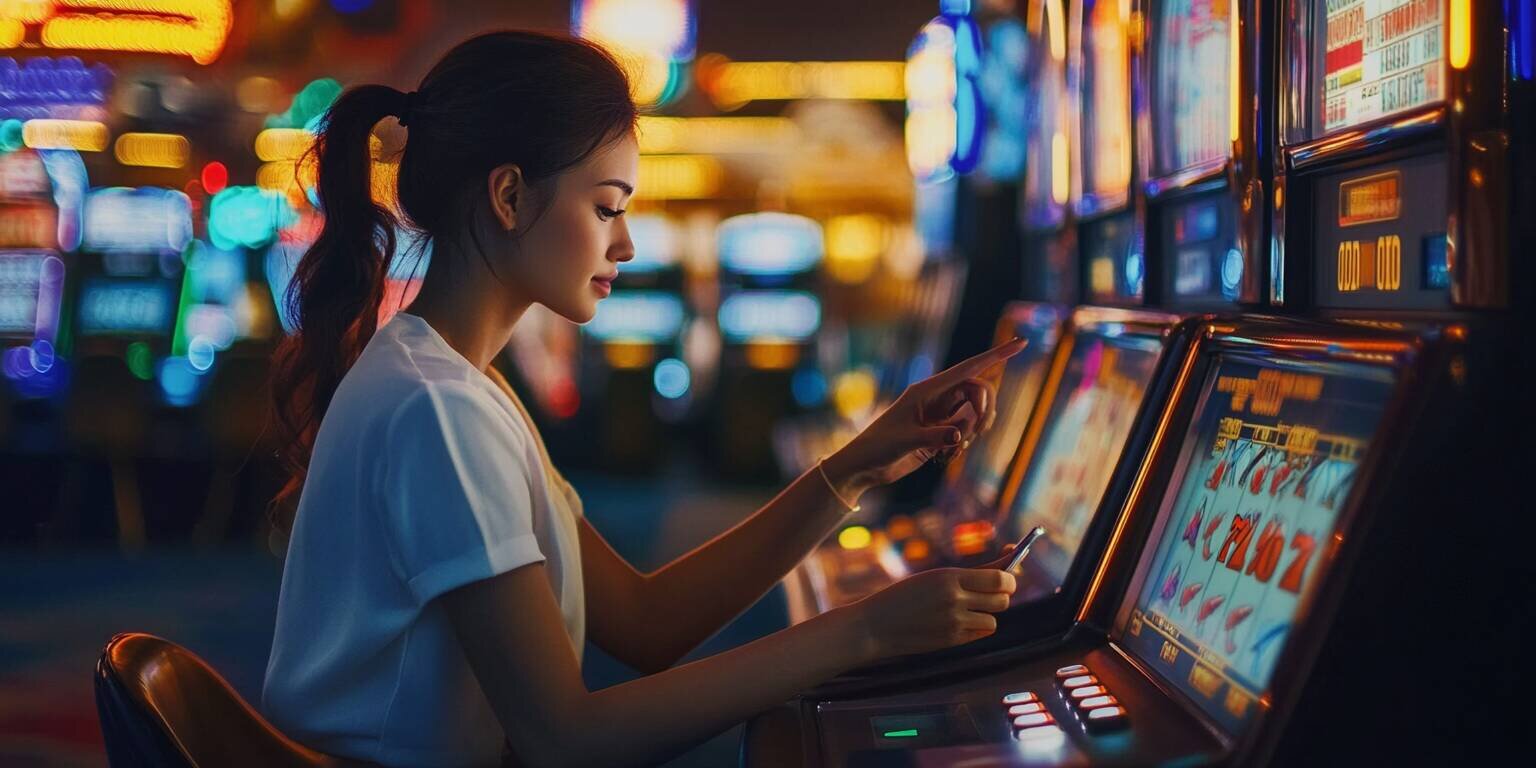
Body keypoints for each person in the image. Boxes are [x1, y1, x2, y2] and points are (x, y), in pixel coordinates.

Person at [262, 30, 1026, 768]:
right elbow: (568, 741)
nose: (626, 244)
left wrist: (860, 464)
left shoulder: (462, 384)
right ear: (509, 196)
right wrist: (863, 634)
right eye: (606, 207)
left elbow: (645, 622)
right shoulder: (438, 408)